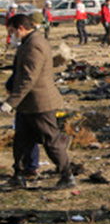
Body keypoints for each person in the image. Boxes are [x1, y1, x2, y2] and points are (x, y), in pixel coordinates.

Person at [2, 14, 75, 189]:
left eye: (12, 31)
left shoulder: (34, 45)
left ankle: (67, 175)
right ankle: (19, 175)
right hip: (27, 105)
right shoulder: (29, 42)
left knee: (51, 141)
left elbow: (29, 79)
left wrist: (11, 102)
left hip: (39, 103)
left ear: (20, 28)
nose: (11, 35)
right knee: (22, 141)